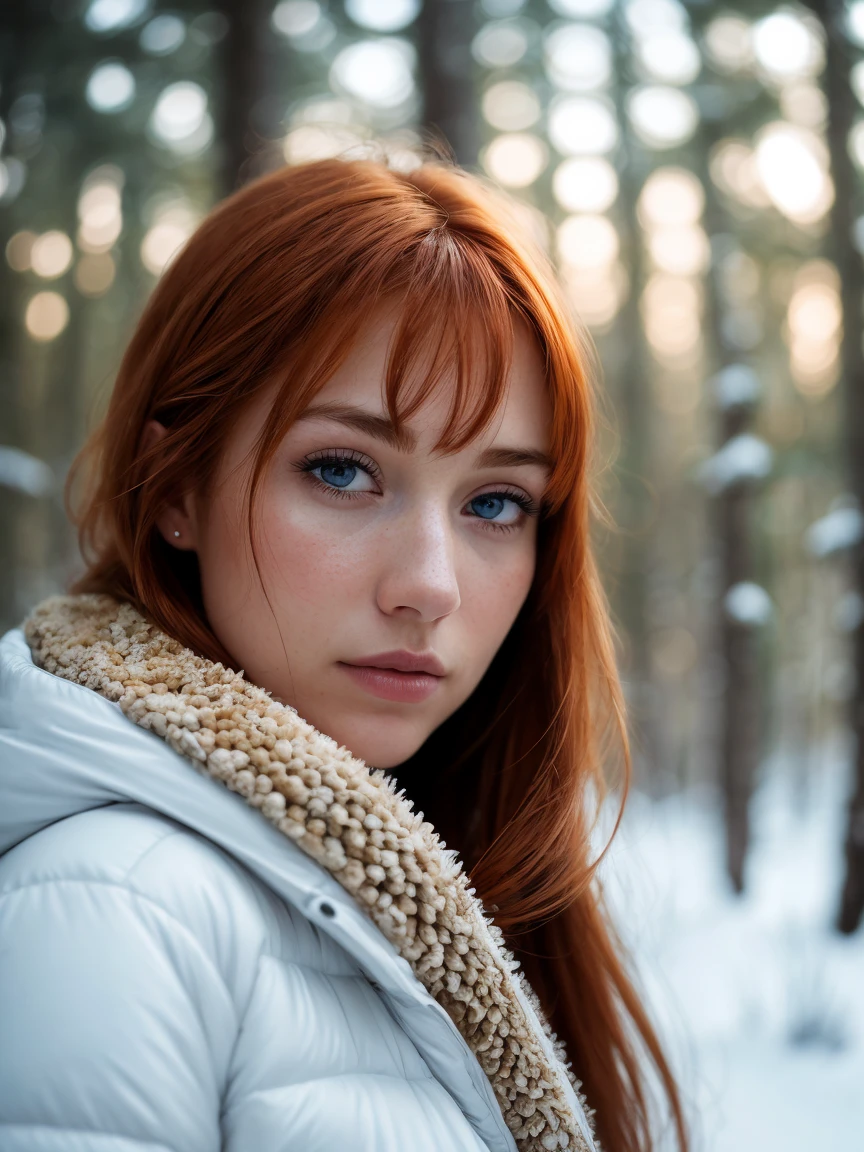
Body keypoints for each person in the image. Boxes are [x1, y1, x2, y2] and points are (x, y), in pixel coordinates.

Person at [0, 153, 687, 1152]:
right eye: (342, 470)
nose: (430, 584)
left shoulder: (448, 892)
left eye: (495, 503)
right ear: (177, 486)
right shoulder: (114, 909)